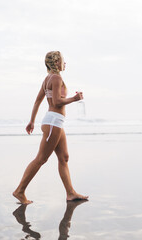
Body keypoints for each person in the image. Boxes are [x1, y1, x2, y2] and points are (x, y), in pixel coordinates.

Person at [13, 51, 89, 204]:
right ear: (56, 63)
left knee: (64, 157)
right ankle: (19, 191)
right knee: (41, 159)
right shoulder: (56, 78)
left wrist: (32, 121)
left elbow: (37, 101)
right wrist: (74, 99)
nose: (65, 63)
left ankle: (70, 193)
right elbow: (56, 102)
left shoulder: (48, 79)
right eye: (63, 60)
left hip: (55, 122)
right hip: (53, 122)